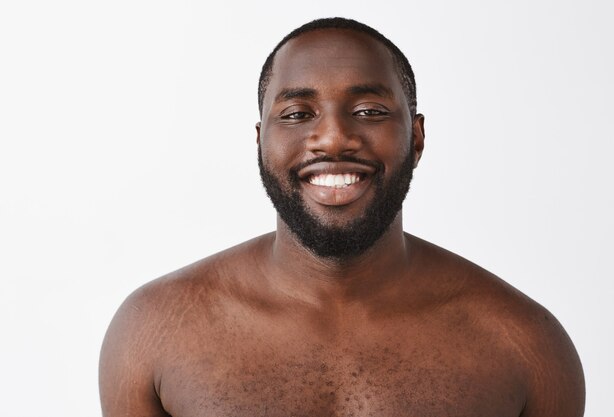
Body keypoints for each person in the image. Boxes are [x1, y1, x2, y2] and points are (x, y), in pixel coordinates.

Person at [99, 17, 585, 417]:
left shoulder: (525, 346)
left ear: (416, 138)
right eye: (296, 114)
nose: (332, 138)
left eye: (370, 110)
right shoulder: (154, 333)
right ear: (260, 140)